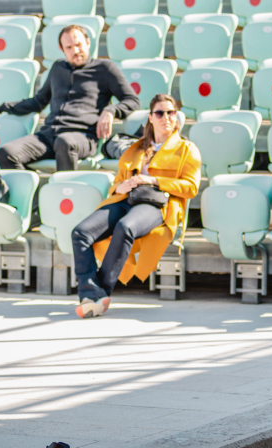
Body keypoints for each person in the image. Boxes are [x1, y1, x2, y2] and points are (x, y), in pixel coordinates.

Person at [71, 93, 201, 318]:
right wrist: (119, 188)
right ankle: (91, 292)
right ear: (150, 118)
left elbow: (191, 187)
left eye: (171, 113)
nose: (166, 117)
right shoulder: (136, 148)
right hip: (126, 199)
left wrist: (153, 180)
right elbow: (117, 183)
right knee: (80, 232)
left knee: (125, 227)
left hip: (158, 204)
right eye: (160, 113)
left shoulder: (187, 149)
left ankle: (99, 294)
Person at [0, 24, 140, 172]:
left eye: (78, 45)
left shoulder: (105, 68)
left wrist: (111, 110)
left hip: (82, 137)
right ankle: (36, 190)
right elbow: (38, 102)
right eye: (69, 47)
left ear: (88, 43)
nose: (75, 51)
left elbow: (132, 100)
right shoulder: (58, 68)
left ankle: (65, 188)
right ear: (62, 49)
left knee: (64, 142)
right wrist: (2, 108)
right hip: (48, 136)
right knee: (6, 153)